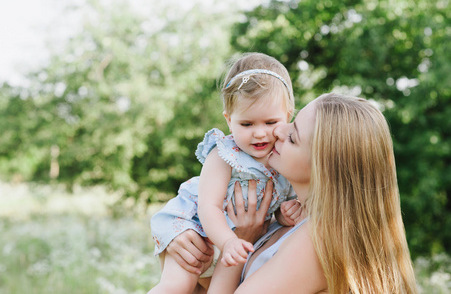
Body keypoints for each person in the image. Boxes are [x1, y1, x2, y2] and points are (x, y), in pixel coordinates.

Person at [172, 93, 419, 293]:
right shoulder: (289, 218)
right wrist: (183, 236)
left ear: (323, 165)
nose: (278, 131)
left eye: (292, 137)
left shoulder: (319, 238)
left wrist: (240, 241)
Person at [149, 53, 302, 294]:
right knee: (178, 286)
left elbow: (276, 209)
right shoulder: (224, 153)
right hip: (196, 225)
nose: (260, 133)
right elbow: (208, 206)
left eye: (270, 122)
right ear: (229, 121)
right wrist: (228, 241)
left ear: (288, 115)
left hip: (236, 245)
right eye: (247, 124)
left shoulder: (287, 160)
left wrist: (284, 215)